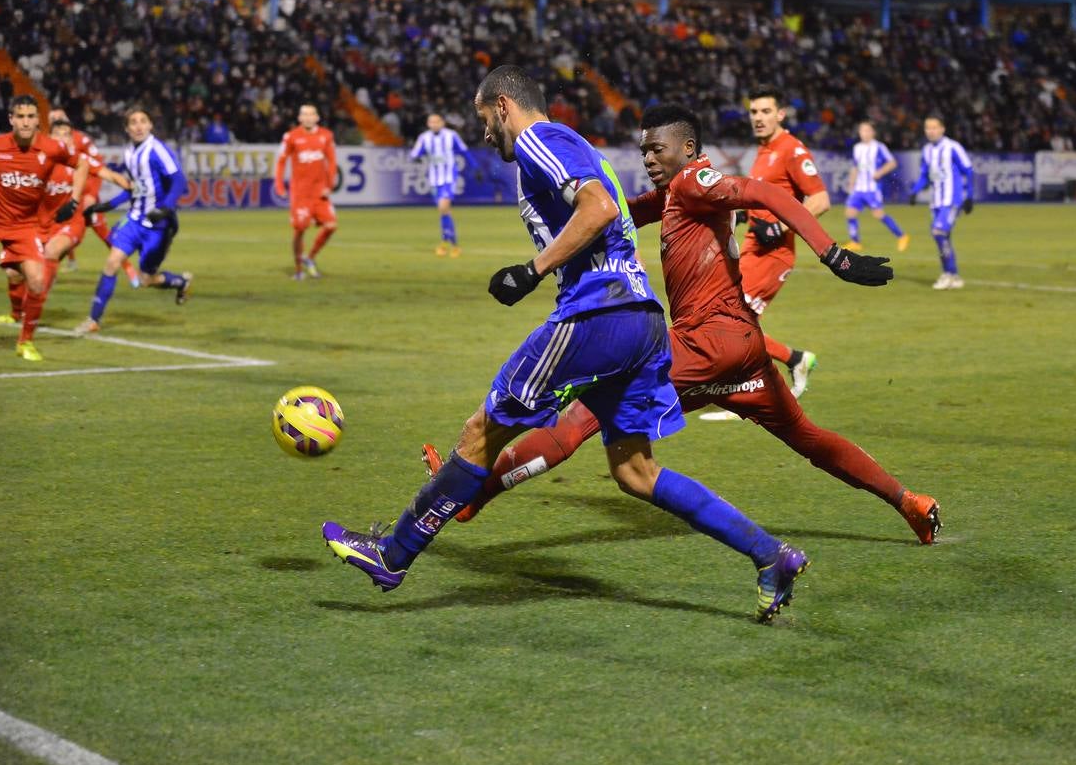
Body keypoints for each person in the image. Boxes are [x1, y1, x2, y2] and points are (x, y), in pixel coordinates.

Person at [322, 65, 809, 623]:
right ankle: (771, 555)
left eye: (485, 120)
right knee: (636, 473)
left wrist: (532, 269)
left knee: (483, 429)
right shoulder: (570, 143)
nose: (485, 134)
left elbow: (600, 207)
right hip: (642, 322)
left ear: (504, 107)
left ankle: (392, 553)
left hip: (598, 313)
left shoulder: (538, 138)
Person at [422, 104, 941, 545]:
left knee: (584, 413)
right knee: (806, 435)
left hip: (703, 343)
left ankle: (472, 494)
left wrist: (835, 256)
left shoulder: (695, 180)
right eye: (643, 151)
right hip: (741, 346)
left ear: (688, 148)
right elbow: (620, 210)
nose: (648, 159)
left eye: (657, 150)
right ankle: (909, 501)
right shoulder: (675, 193)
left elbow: (768, 194)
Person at [699, 87, 827, 420]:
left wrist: (780, 228)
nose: (758, 118)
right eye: (754, 112)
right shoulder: (764, 151)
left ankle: (747, 390)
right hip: (753, 251)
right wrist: (744, 215)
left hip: (774, 255)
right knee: (729, 320)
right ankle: (794, 361)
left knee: (732, 323)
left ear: (780, 114)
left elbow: (820, 200)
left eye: (765, 112)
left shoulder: (792, 150)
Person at [72, 106, 192, 335]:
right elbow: (135, 188)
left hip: (158, 227)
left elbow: (178, 182)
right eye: (133, 122)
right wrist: (109, 205)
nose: (138, 126)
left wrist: (165, 208)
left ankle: (179, 282)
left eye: (142, 121)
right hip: (135, 219)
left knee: (146, 279)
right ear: (127, 129)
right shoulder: (128, 153)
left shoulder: (158, 150)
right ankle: (93, 319)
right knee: (111, 263)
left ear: (150, 125)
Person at [0, 96, 88, 360]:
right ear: (11, 119)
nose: (25, 121)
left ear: (38, 120)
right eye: (20, 116)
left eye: (31, 116)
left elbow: (82, 163)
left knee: (37, 280)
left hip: (24, 227)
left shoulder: (52, 147)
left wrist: (75, 199)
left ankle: (25, 342)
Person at [46, 111, 140, 286]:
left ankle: (128, 268)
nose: (62, 138)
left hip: (78, 212)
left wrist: (137, 188)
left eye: (66, 135)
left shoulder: (82, 151)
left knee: (104, 234)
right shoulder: (40, 158)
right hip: (47, 221)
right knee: (20, 272)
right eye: (56, 132)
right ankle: (48, 273)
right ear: (49, 134)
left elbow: (109, 174)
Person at [909, 114, 974, 291]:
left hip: (951, 200)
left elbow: (968, 170)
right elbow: (925, 176)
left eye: (934, 127)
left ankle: (948, 273)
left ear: (942, 129)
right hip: (936, 201)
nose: (931, 131)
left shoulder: (953, 147)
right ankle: (954, 276)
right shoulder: (927, 151)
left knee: (938, 232)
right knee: (942, 238)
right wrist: (914, 192)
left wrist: (969, 196)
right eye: (927, 128)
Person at [274, 104, 338, 280]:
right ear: (299, 118)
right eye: (304, 114)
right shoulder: (291, 137)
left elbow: (332, 162)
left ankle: (309, 258)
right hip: (301, 194)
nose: (308, 117)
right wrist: (279, 185)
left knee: (331, 225)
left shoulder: (326, 136)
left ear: (317, 117)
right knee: (301, 229)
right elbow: (281, 162)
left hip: (320, 193)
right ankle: (298, 270)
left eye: (311, 114)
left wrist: (329, 185)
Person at [410, 112, 469, 256]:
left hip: (449, 178)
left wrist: (476, 169)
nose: (434, 124)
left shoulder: (451, 135)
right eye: (431, 122)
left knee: (443, 207)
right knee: (444, 212)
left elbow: (464, 151)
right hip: (434, 180)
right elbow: (414, 154)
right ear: (428, 124)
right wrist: (417, 158)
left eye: (437, 121)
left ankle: (450, 245)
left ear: (442, 122)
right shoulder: (424, 138)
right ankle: (450, 243)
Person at [844, 121, 908, 254]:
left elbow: (892, 163)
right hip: (859, 189)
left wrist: (880, 172)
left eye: (867, 130)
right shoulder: (857, 148)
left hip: (872, 189)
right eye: (862, 131)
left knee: (878, 215)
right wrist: (851, 183)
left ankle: (902, 236)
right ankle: (855, 242)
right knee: (850, 213)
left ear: (873, 132)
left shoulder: (879, 147)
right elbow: (855, 167)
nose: (864, 133)